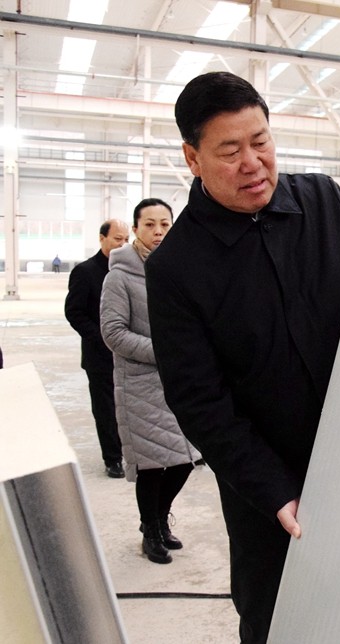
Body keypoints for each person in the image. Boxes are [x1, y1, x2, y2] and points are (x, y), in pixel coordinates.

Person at [145, 71, 340, 643]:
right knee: (278, 618)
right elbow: (198, 401)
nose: (253, 163)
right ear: (192, 158)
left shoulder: (321, 200)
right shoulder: (177, 267)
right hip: (269, 495)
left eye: (261, 141)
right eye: (230, 151)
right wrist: (274, 490)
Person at [100, 198, 202, 566]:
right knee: (153, 466)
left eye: (165, 224)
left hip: (179, 380)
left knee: (186, 459)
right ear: (136, 229)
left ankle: (159, 518)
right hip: (140, 384)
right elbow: (113, 332)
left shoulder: (180, 267)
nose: (158, 232)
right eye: (150, 225)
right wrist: (165, 351)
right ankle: (151, 530)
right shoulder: (119, 276)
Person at [65, 218, 130, 479]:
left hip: (129, 354)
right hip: (100, 356)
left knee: (130, 408)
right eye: (117, 239)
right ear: (102, 238)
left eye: (126, 240)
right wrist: (103, 338)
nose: (122, 245)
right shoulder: (86, 271)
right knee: (106, 409)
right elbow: (74, 312)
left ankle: (132, 453)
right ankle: (113, 458)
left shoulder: (129, 270)